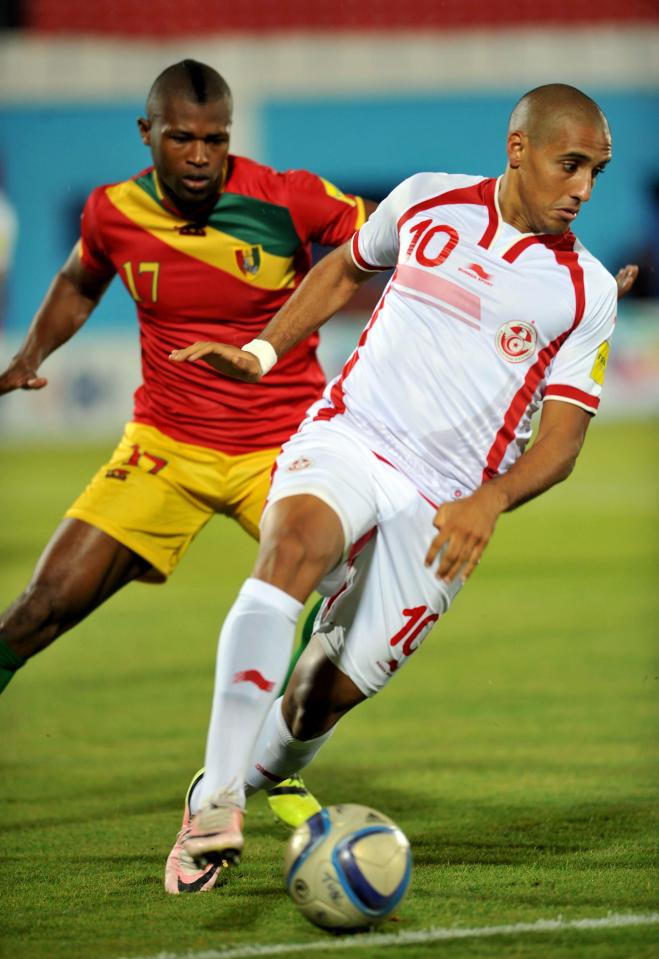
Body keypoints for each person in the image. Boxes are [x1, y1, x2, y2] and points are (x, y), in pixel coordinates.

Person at [166, 83, 635, 892]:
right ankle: (212, 802)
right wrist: (263, 352)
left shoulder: (585, 291)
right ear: (517, 149)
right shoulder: (425, 200)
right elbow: (346, 266)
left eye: (595, 171)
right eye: (570, 164)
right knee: (293, 548)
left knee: (325, 694)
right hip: (351, 437)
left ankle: (259, 772)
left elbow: (560, 443)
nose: (583, 188)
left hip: (447, 501)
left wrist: (489, 500)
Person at [0, 60, 375, 882]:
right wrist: (29, 353)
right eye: (182, 138)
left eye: (215, 139)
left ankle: (262, 765)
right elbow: (77, 279)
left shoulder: (289, 197)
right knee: (39, 608)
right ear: (148, 135)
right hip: (165, 445)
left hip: (283, 448)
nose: (201, 155)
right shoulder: (114, 212)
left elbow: (390, 240)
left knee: (353, 597)